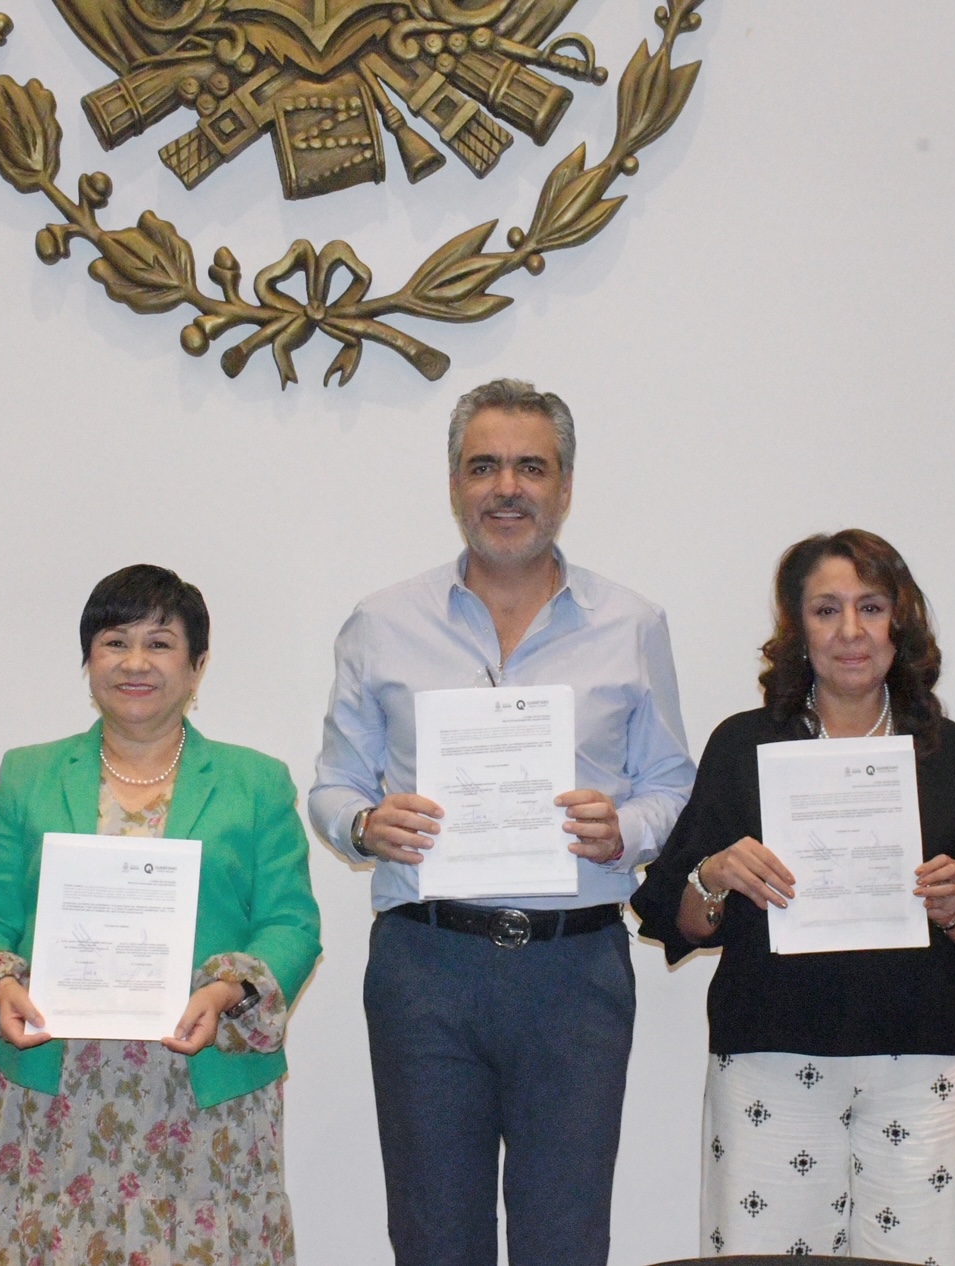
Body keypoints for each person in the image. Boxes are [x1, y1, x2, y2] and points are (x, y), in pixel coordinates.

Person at [308, 378, 696, 1266]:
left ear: (565, 487)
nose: (506, 488)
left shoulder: (634, 625)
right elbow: (330, 785)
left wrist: (624, 830)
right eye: (484, 467)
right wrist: (368, 825)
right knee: (434, 1239)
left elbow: (673, 786)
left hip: (577, 972)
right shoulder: (381, 623)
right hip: (426, 970)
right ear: (454, 486)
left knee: (566, 1239)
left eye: (531, 467)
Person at [632, 529, 955, 1264]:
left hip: (926, 1064)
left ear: (898, 624)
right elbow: (674, 919)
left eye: (870, 607)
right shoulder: (744, 744)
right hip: (770, 1058)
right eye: (826, 610)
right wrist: (712, 875)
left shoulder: (945, 748)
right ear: (796, 628)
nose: (850, 632)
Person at [0, 563, 321, 1266]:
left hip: (202, 1092)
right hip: (53, 1091)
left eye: (160, 643)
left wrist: (224, 991)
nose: (135, 662)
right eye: (114, 642)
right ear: (88, 661)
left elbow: (292, 924)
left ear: (197, 665)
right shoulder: (29, 774)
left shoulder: (256, 782)